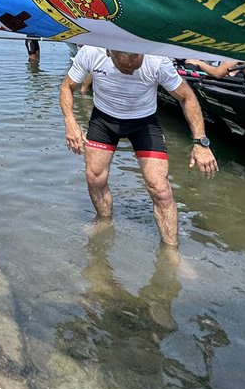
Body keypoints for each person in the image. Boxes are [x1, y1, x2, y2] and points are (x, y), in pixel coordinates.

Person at [60, 47, 216, 246]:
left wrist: (200, 141)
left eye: (135, 66)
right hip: (104, 120)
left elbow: (186, 97)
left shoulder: (157, 60)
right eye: (125, 68)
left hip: (144, 122)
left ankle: (171, 251)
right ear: (109, 53)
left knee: (160, 190)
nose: (130, 72)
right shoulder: (91, 52)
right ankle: (104, 220)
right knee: (94, 177)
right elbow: (67, 86)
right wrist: (70, 122)